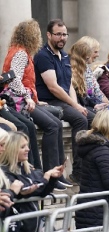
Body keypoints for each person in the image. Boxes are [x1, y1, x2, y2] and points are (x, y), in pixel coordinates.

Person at [34, 19, 93, 176]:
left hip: (65, 101)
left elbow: (69, 85)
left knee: (95, 118)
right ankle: (78, 171)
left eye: (64, 34)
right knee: (81, 119)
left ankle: (93, 165)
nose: (62, 38)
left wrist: (76, 104)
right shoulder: (43, 56)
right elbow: (53, 87)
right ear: (49, 35)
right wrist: (75, 105)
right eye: (58, 34)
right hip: (51, 101)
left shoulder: (65, 56)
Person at [3, 19, 62, 171]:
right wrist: (28, 97)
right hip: (20, 101)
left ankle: (55, 170)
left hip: (25, 99)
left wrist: (35, 99)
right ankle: (48, 170)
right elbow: (14, 79)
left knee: (56, 121)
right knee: (52, 125)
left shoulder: (17, 51)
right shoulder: (21, 54)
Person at [0, 131, 65, 202]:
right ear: (11, 149)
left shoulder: (27, 168)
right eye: (22, 147)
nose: (27, 149)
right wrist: (45, 179)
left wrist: (52, 178)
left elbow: (42, 193)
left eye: (27, 145)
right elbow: (25, 192)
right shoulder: (4, 172)